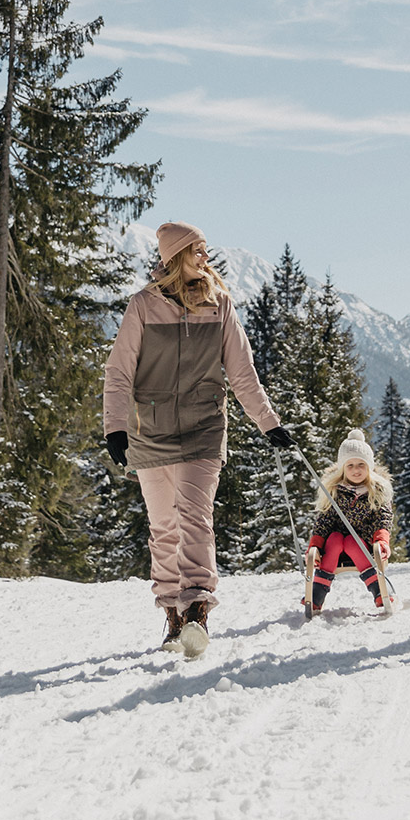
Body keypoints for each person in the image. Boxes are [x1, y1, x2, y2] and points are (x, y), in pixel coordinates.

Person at [103, 220, 293, 654]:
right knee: (164, 527)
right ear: (175, 257)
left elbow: (242, 373)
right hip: (151, 430)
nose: (205, 257)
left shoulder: (219, 305)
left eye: (205, 250)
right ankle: (171, 613)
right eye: (197, 250)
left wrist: (269, 422)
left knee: (194, 516)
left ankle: (196, 611)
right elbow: (119, 373)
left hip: (205, 427)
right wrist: (115, 428)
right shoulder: (143, 307)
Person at [304, 429, 394, 613]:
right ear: (342, 468)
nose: (356, 470)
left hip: (364, 547)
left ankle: (379, 591)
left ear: (369, 466)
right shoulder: (334, 491)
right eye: (350, 465)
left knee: (352, 541)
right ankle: (317, 595)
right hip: (333, 549)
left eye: (361, 464)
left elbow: (382, 518)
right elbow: (324, 520)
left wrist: (382, 541)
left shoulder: (376, 491)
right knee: (337, 537)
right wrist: (315, 545)